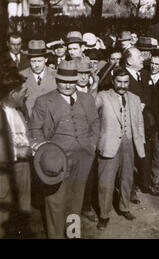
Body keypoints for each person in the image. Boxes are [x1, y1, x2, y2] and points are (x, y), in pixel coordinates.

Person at [29, 60, 100, 238]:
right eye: (63, 81)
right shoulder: (44, 101)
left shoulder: (87, 99)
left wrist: (92, 144)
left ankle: (72, 235)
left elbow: (95, 123)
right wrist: (44, 150)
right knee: (56, 202)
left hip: (83, 158)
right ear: (56, 80)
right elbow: (34, 129)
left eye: (71, 81)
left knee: (75, 202)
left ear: (77, 80)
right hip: (56, 161)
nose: (67, 85)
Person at [95, 67, 146, 230]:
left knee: (127, 178)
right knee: (106, 183)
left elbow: (139, 122)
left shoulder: (135, 98)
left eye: (125, 82)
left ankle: (124, 207)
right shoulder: (102, 96)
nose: (122, 86)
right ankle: (104, 215)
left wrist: (140, 142)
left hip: (129, 142)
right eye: (119, 82)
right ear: (112, 80)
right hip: (108, 143)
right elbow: (90, 116)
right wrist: (97, 140)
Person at [0, 67, 32, 238]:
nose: (26, 95)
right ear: (13, 93)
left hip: (23, 171)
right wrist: (18, 153)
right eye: (24, 92)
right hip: (6, 175)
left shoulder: (19, 110)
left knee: (23, 213)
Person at [122, 48, 153, 202]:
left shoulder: (146, 74)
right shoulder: (121, 76)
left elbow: (151, 96)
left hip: (146, 124)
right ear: (129, 61)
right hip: (130, 124)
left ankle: (145, 183)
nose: (143, 58)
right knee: (130, 157)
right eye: (139, 56)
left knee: (145, 153)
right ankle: (131, 189)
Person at [20, 40, 56, 117]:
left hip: (51, 122)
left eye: (39, 61)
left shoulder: (55, 75)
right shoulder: (21, 76)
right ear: (29, 60)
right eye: (33, 61)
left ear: (46, 59)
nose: (36, 65)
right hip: (29, 122)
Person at [147, 52, 159, 196]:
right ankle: (144, 180)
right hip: (145, 122)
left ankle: (155, 181)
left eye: (157, 64)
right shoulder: (143, 76)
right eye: (152, 63)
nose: (153, 66)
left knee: (158, 153)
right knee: (145, 152)